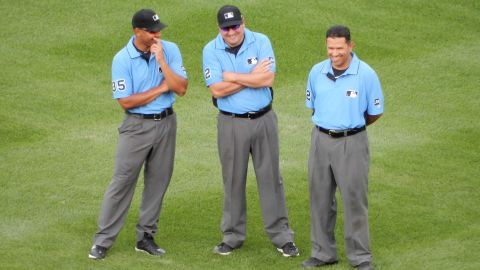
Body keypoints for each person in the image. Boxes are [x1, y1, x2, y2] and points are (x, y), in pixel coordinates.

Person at [88, 8, 188, 260]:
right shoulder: (122, 59)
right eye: (152, 31)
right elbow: (126, 102)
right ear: (137, 31)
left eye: (158, 31)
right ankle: (103, 240)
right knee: (122, 181)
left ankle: (146, 237)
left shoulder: (169, 49)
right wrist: (162, 88)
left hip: (167, 124)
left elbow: (182, 88)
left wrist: (163, 62)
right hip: (136, 127)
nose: (157, 35)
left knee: (158, 181)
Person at [202, 5, 299, 257]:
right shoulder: (210, 50)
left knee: (271, 179)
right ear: (219, 28)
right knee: (233, 179)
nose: (231, 32)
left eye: (235, 25)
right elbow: (217, 91)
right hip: (231, 123)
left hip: (264, 120)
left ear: (243, 22)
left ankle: (282, 237)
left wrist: (231, 76)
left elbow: (266, 80)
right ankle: (232, 236)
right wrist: (249, 76)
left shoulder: (261, 41)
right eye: (226, 28)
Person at [302, 25, 383, 270]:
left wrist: (350, 127)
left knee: (354, 200)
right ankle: (323, 253)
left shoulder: (366, 74)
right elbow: (313, 106)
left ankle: (360, 258)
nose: (334, 53)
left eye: (339, 48)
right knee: (320, 199)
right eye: (330, 48)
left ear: (350, 45)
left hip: (352, 142)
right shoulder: (317, 71)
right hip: (320, 140)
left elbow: (374, 113)